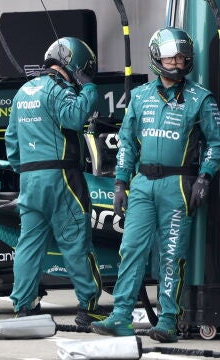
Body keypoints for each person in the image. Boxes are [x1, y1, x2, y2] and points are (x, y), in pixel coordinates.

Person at [91, 27, 220, 343]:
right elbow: (126, 144)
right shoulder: (139, 96)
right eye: (170, 56)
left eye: (181, 57)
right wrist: (121, 183)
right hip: (142, 184)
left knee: (171, 254)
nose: (176, 62)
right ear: (157, 58)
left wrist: (205, 176)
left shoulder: (201, 99)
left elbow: (216, 143)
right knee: (130, 249)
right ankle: (120, 316)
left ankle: (168, 321)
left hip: (179, 184)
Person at [5, 37, 107, 326]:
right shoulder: (58, 89)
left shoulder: (23, 92)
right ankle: (89, 306)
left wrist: (27, 169)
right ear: (74, 65)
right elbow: (75, 118)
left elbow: (12, 143)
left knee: (28, 244)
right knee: (76, 242)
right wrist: (89, 87)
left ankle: (23, 306)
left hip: (29, 179)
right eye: (84, 69)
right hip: (61, 176)